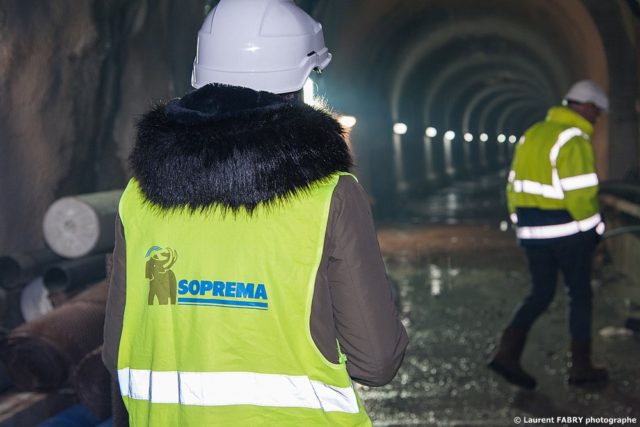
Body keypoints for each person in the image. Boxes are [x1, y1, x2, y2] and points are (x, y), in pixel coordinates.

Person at [102, 0, 408, 425]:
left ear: (201, 77)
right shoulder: (329, 196)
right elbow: (376, 361)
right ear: (300, 78)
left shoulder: (138, 198)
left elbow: (116, 349)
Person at [488, 80, 609, 389]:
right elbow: (581, 195)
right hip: (568, 232)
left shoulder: (533, 133)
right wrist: (595, 228)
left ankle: (506, 353)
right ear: (586, 107)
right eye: (597, 112)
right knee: (579, 295)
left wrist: (519, 221)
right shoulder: (574, 139)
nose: (597, 119)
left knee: (540, 293)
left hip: (531, 230)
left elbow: (512, 183)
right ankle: (581, 367)